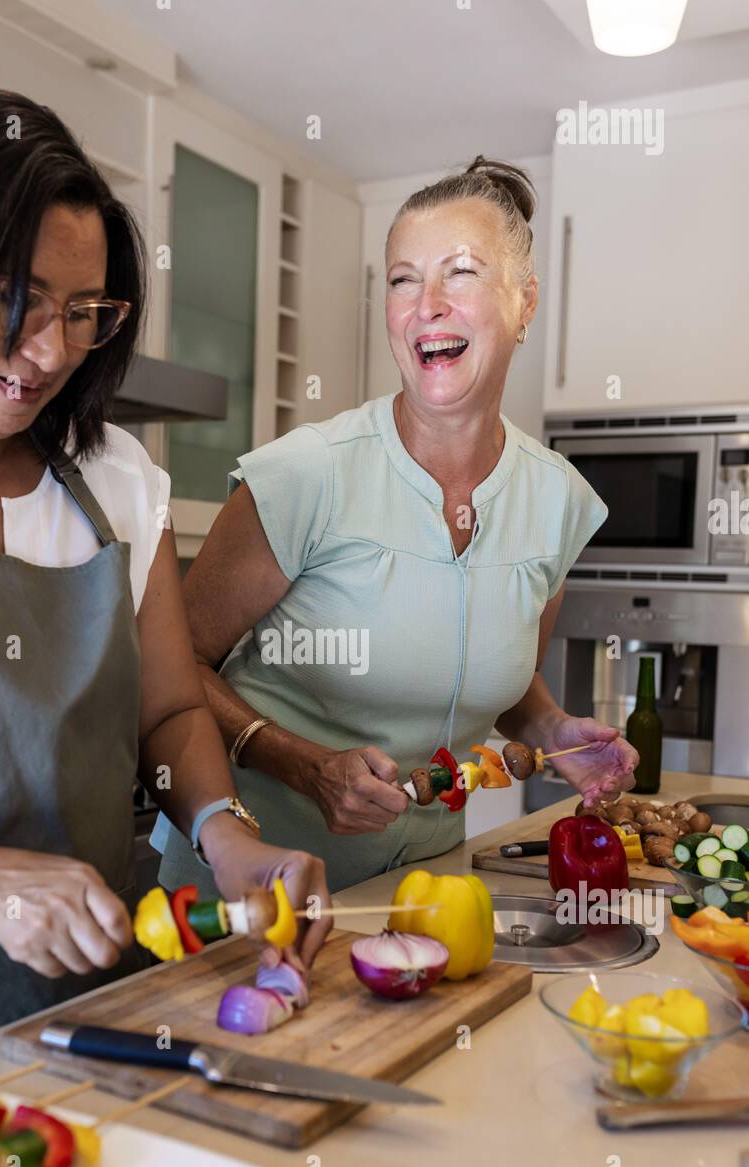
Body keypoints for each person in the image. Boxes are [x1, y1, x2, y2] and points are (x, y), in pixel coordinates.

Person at [0, 88, 329, 1071]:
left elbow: (168, 717)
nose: (48, 352)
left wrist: (227, 834)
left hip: (91, 1019)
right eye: (20, 301)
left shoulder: (116, 483)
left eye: (82, 313)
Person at [152, 156, 638, 896]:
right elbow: (169, 663)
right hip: (249, 887)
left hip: (422, 883)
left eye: (461, 273)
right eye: (404, 278)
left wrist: (550, 732)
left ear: (524, 302)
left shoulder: (557, 501)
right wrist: (297, 763)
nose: (427, 303)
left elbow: (506, 685)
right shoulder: (304, 475)